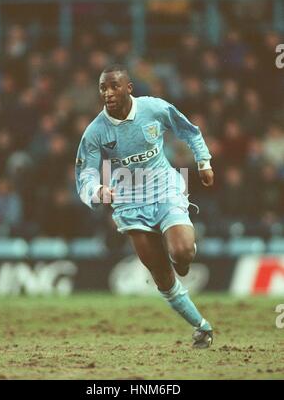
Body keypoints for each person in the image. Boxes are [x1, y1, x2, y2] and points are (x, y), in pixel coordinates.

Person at [75, 65, 214, 349]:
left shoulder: (154, 109)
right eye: (103, 87)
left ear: (129, 88)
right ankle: (201, 326)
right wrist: (96, 190)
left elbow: (189, 130)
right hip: (129, 201)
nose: (108, 93)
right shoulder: (95, 132)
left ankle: (183, 259)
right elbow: (84, 174)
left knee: (182, 251)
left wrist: (203, 161)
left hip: (164, 188)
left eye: (114, 86)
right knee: (161, 275)